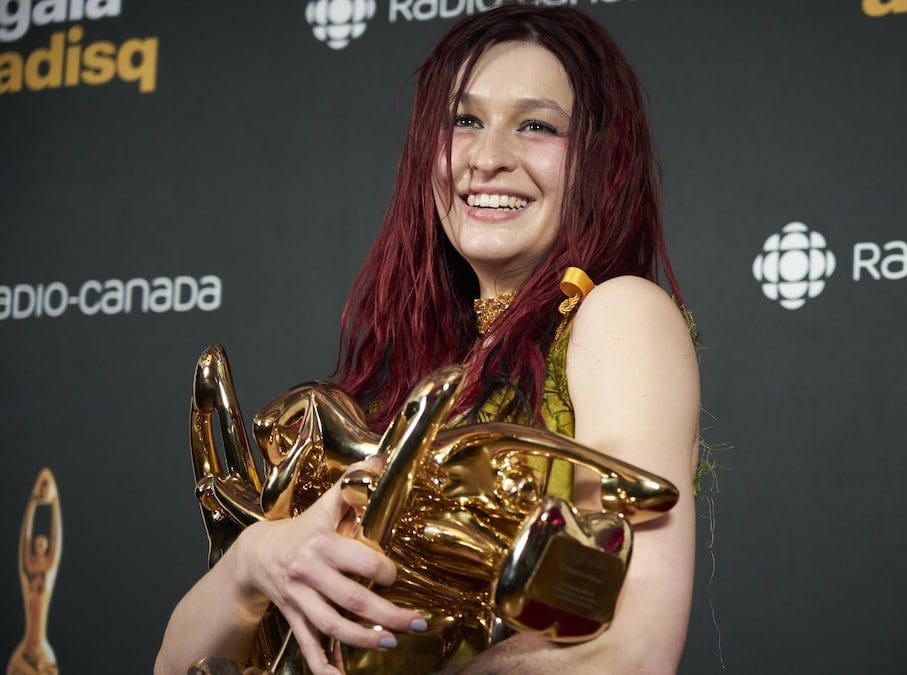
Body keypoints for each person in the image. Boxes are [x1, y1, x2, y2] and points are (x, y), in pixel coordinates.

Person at [156, 6, 698, 674]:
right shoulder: (423, 375)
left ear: (599, 158)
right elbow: (171, 663)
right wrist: (255, 560)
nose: (487, 157)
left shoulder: (617, 314)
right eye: (464, 120)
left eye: (536, 126)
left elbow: (634, 647)